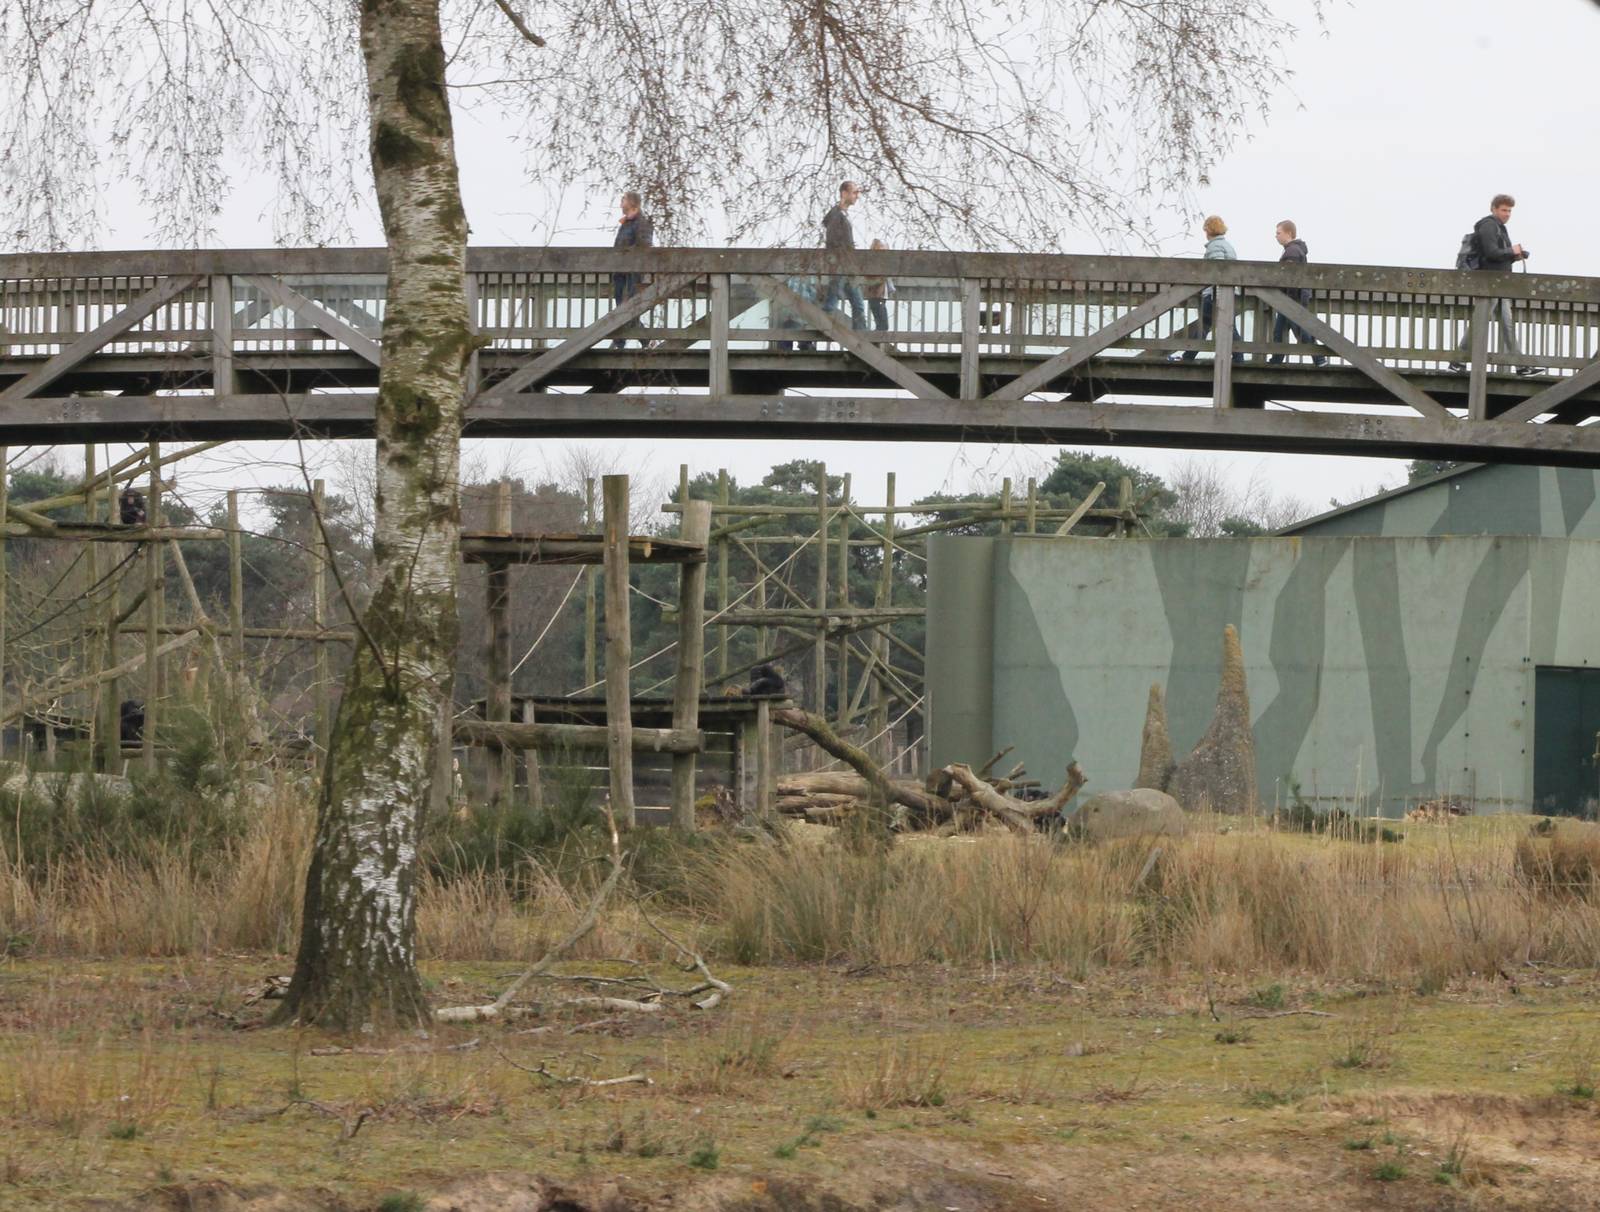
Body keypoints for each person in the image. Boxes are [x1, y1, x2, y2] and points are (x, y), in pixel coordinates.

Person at [1448, 194, 1542, 376]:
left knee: (1507, 325)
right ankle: (1457, 361)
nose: (1507, 214)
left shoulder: (1500, 228)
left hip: (1500, 285)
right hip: (1489, 285)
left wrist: (1516, 256)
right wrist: (1511, 250)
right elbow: (1491, 253)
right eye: (1504, 210)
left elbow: (1499, 258)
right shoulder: (1489, 225)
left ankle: (1521, 366)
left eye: (1509, 211)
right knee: (1480, 322)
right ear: (1494, 209)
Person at [1167, 215, 1242, 363]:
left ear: (1209, 230)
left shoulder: (1215, 246)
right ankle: (1238, 357)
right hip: (1226, 293)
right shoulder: (1227, 246)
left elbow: (1219, 270)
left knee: (1207, 324)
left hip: (1217, 293)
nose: (1205, 233)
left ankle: (1188, 357)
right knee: (1226, 325)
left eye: (1205, 229)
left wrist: (1216, 293)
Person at [1266, 220, 1327, 366]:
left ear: (1289, 233)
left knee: (1300, 330)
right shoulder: (1295, 249)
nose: (1276, 236)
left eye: (1278, 233)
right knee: (1279, 330)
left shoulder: (1292, 251)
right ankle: (1277, 359)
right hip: (1292, 297)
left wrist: (1288, 298)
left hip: (1292, 298)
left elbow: (1290, 278)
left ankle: (1319, 359)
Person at [820, 181, 867, 331]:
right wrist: (844, 257)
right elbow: (833, 242)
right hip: (840, 266)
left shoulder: (841, 215)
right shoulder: (836, 215)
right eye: (854, 192)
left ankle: (861, 341)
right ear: (844, 193)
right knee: (831, 303)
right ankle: (814, 335)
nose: (857, 196)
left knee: (857, 305)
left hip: (846, 268)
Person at [610, 190, 654, 349]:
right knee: (621, 306)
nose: (621, 202)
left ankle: (628, 341)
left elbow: (645, 246)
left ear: (632, 203)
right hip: (620, 272)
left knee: (629, 307)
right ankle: (630, 341)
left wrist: (628, 257)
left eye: (623, 199)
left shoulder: (642, 223)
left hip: (633, 273)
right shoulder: (626, 223)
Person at [863, 239, 895, 335]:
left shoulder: (880, 263)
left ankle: (878, 335)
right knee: (882, 324)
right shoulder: (875, 263)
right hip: (876, 296)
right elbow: (875, 280)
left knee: (882, 322)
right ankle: (878, 336)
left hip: (879, 296)